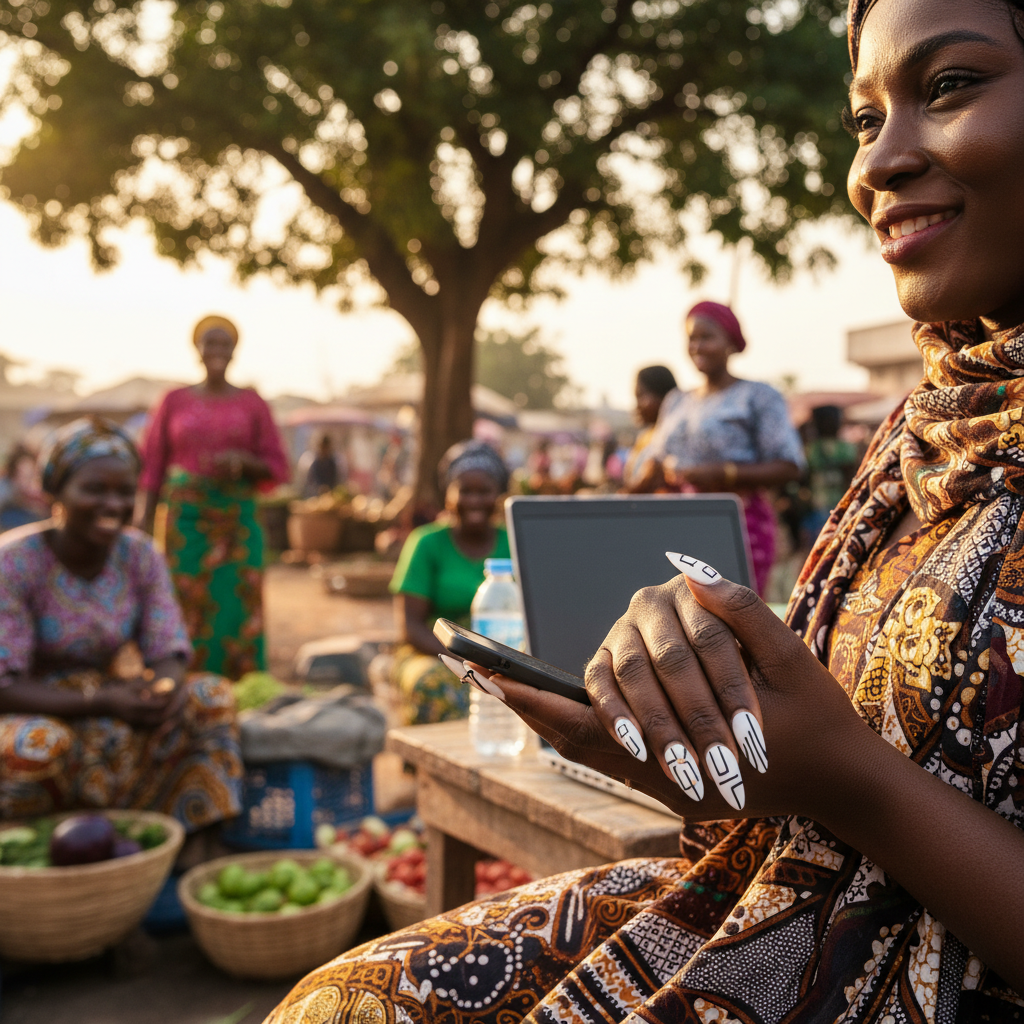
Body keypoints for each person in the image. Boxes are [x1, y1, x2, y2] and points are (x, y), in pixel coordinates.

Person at [264, 0, 1024, 1019]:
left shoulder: (783, 410)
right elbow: (862, 767)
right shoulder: (930, 424)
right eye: (860, 117)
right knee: (352, 996)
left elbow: (874, 781)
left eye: (947, 88)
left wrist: (847, 781)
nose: (875, 165)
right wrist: (692, 750)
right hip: (785, 902)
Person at [0, 418, 242, 837]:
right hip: (35, 708)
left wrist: (162, 689)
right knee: (36, 745)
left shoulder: (139, 555)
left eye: (124, 492)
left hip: (113, 697)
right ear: (54, 492)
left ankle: (186, 842)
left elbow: (167, 648)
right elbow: (5, 685)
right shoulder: (15, 563)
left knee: (210, 696)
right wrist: (103, 701)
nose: (113, 504)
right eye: (94, 489)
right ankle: (44, 855)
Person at [136, 316, 290, 680]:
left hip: (236, 519)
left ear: (235, 351)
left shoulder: (253, 403)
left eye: (225, 344)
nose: (218, 351)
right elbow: (152, 465)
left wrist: (244, 462)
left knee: (239, 602)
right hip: (185, 520)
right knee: (185, 601)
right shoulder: (173, 401)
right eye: (211, 343)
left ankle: (242, 687)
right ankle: (184, 684)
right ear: (198, 350)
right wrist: (142, 522)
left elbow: (277, 466)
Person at [649, 301, 804, 595]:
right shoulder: (676, 401)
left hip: (739, 522)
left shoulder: (757, 396)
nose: (696, 346)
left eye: (706, 337)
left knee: (732, 612)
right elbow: (657, 458)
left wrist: (722, 472)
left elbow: (789, 464)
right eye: (691, 339)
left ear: (730, 343)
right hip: (678, 521)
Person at [387, 440, 511, 724]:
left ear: (498, 494)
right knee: (435, 686)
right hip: (432, 653)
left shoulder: (513, 541)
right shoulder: (426, 543)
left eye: (484, 491)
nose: (474, 500)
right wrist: (465, 661)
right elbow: (411, 626)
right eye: (465, 491)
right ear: (448, 494)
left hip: (504, 657)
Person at [621, 364, 678, 490]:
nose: (637, 405)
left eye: (641, 396)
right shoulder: (645, 437)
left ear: (665, 396)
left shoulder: (675, 437)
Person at [0, 445, 49, 532]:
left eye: (32, 476)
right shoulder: (6, 495)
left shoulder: (42, 499)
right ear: (13, 477)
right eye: (24, 477)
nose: (28, 484)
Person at [298, 433, 345, 498]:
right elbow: (309, 482)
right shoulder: (314, 463)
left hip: (332, 496)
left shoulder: (334, 463)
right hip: (315, 496)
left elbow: (338, 481)